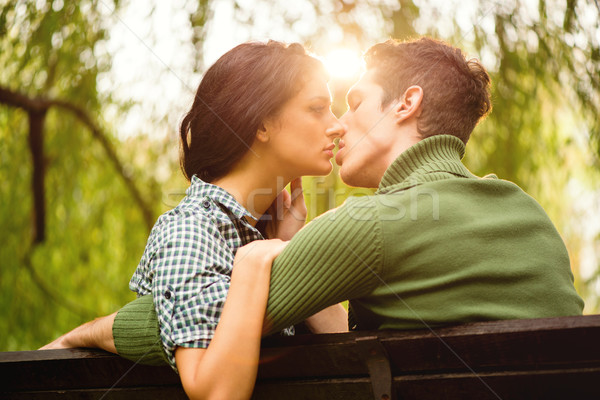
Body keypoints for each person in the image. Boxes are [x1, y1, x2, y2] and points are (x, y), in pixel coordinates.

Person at [44, 36, 584, 390]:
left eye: (352, 102)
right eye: (322, 107)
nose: (339, 125)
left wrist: (82, 334)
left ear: (407, 103)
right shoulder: (528, 213)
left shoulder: (373, 226)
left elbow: (211, 325)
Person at [42, 40, 348, 400]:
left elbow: (352, 355)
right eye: (318, 109)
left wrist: (293, 251)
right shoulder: (191, 232)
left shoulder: (263, 236)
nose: (338, 126)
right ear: (261, 124)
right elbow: (215, 392)